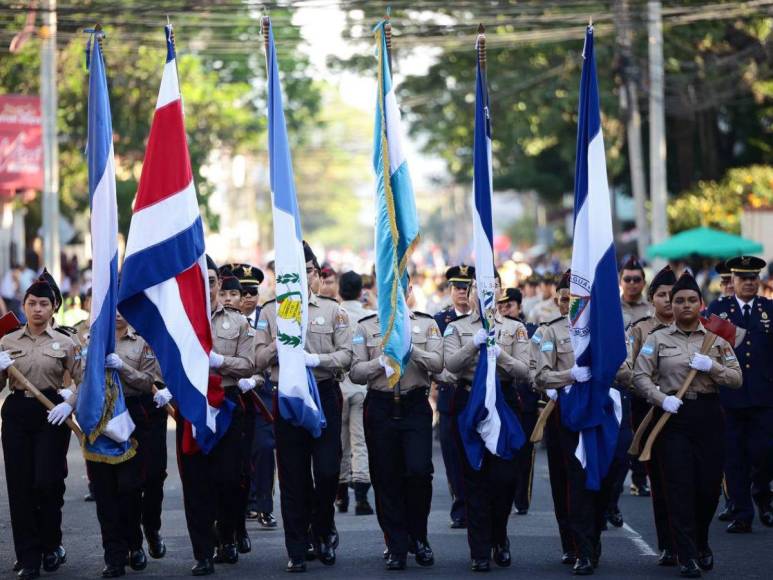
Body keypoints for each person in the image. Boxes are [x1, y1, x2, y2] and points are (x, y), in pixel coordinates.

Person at [633, 271, 742, 577]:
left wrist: (714, 368)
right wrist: (659, 398)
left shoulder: (716, 341)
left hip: (708, 417)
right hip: (673, 417)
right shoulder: (656, 339)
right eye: (678, 300)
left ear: (701, 304)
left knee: (707, 489)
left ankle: (702, 541)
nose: (684, 305)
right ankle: (687, 554)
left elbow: (736, 378)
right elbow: (640, 375)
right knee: (679, 486)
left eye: (691, 300)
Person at [254, 241, 353, 572]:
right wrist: (276, 345)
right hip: (288, 397)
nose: (299, 278)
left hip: (323, 393)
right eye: (289, 273)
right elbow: (256, 358)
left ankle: (323, 530)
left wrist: (317, 359)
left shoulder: (332, 309)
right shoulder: (269, 312)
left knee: (327, 472)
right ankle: (297, 547)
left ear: (316, 274)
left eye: (306, 271)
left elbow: (346, 356)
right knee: (294, 477)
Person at [532, 270, 625, 575]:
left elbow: (624, 369)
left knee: (606, 476)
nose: (567, 304)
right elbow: (541, 376)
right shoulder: (550, 332)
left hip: (601, 411)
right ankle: (580, 547)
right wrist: (569, 376)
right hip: (568, 413)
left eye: (573, 299)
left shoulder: (601, 330)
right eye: (562, 299)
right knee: (573, 481)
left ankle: (593, 533)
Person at [350, 281, 441, 570]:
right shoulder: (367, 326)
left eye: (401, 287)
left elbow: (438, 363)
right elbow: (355, 372)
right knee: (386, 477)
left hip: (415, 404)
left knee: (418, 472)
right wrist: (381, 361)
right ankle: (396, 544)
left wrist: (411, 350)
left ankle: (419, 536)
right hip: (381, 405)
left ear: (410, 289)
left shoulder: (425, 325)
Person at [174, 255, 255, 576]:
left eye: (209, 281)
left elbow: (249, 364)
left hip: (227, 403)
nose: (205, 287)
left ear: (219, 284)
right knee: (195, 482)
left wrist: (218, 361)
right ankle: (203, 552)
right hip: (192, 404)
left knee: (229, 478)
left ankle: (228, 534)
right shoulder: (178, 320)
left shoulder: (237, 322)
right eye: (198, 280)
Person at [444, 280, 531, 572]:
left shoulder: (514, 328)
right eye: (479, 288)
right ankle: (479, 551)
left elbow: (523, 370)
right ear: (469, 294)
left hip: (503, 401)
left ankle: (499, 536)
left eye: (492, 287)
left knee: (505, 478)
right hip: (470, 401)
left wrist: (498, 351)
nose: (485, 293)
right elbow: (450, 364)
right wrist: (474, 343)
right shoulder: (456, 327)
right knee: (475, 478)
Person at [0, 272, 82, 580]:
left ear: (52, 308)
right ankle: (28, 557)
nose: (37, 309)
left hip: (52, 412)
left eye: (43, 304)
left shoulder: (66, 341)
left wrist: (69, 402)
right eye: (32, 303)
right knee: (20, 485)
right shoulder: (7, 341)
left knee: (46, 482)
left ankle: (51, 544)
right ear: (23, 306)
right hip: (18, 411)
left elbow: (83, 380)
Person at [85, 311, 163, 577]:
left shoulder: (142, 342)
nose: (117, 314)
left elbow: (148, 381)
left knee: (130, 488)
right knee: (104, 492)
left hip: (132, 414)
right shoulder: (90, 340)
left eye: (122, 308)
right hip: (99, 415)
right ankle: (114, 556)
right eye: (112, 307)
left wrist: (123, 367)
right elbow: (76, 376)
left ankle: (134, 543)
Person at [707, 255, 773, 533]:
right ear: (732, 281)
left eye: (753, 277)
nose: (749, 282)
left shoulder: (769, 308)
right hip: (729, 396)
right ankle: (742, 511)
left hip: (763, 394)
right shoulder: (718, 310)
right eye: (743, 278)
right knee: (734, 457)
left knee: (764, 453)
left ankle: (763, 497)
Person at [619, 265, 677, 565]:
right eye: (663, 295)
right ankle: (669, 543)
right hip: (650, 409)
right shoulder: (640, 329)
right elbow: (627, 369)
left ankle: (697, 540)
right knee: (663, 481)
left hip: (689, 411)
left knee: (697, 483)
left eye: (674, 295)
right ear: (653, 298)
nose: (669, 301)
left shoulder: (700, 328)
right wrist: (651, 388)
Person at [432, 264, 474, 529]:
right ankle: (460, 505)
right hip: (450, 397)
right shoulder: (439, 321)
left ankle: (476, 504)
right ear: (450, 290)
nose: (462, 292)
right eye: (458, 287)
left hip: (475, 396)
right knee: (452, 455)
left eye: (466, 287)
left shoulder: (483, 319)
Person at [497, 288, 540, 515]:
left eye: (510, 305)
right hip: (504, 395)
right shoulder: (496, 330)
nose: (505, 309)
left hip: (526, 398)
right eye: (501, 305)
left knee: (524, 452)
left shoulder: (531, 331)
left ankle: (521, 498)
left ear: (520, 307)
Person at [336, 271, 374, 515]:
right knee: (360, 441)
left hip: (339, 384)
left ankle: (341, 497)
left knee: (340, 442)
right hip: (361, 385)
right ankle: (361, 497)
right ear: (361, 292)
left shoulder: (334, 313)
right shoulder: (369, 315)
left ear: (340, 291)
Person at [619, 256, 652, 498]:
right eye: (627, 279)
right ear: (620, 281)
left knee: (643, 427)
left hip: (646, 376)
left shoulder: (650, 310)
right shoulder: (611, 308)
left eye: (636, 279)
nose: (632, 283)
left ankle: (640, 477)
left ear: (643, 282)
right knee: (623, 433)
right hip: (619, 378)